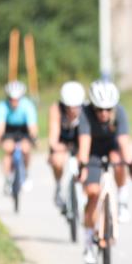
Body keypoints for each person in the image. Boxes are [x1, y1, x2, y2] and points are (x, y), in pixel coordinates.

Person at [76, 79, 132, 264]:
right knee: (92, 192)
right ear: (93, 106)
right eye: (99, 109)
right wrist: (82, 167)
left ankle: (122, 199)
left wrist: (131, 163)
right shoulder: (85, 113)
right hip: (92, 151)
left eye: (108, 109)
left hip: (112, 147)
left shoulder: (120, 112)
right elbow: (84, 144)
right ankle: (88, 243)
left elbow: (124, 142)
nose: (104, 113)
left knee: (119, 161)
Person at [0, 80, 39, 194]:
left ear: (21, 98)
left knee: (26, 148)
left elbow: (32, 127)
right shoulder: (2, 106)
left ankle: (26, 173)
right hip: (9, 130)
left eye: (16, 99)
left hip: (24, 129)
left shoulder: (28, 105)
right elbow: (0, 127)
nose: (14, 102)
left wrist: (33, 139)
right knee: (8, 149)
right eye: (11, 99)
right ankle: (8, 178)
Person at [48, 81, 85, 210]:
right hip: (62, 142)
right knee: (57, 161)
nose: (72, 110)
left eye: (75, 107)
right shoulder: (56, 109)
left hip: (79, 141)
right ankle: (58, 187)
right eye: (69, 107)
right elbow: (53, 136)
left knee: (84, 162)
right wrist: (57, 147)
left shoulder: (86, 111)